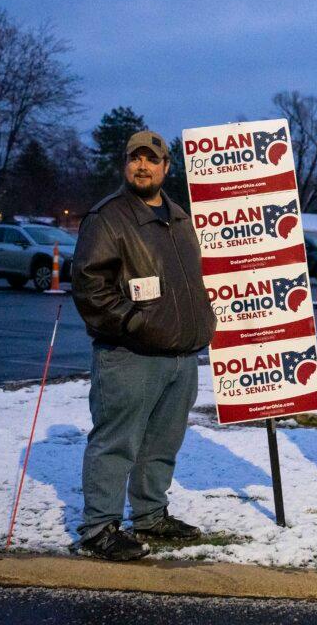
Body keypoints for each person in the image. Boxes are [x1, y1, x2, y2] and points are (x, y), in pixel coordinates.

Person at [71, 129, 216, 561]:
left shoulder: (180, 216)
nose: (142, 166)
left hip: (180, 356)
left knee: (162, 443)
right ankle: (99, 528)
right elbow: (90, 287)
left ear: (166, 167)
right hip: (129, 355)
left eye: (151, 159)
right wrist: (133, 322)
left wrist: (201, 322)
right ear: (125, 165)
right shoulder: (108, 217)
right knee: (116, 441)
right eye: (135, 158)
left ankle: (151, 514)